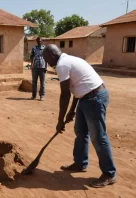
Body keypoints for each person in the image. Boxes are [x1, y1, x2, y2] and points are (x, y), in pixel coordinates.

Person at [42, 44, 116, 188]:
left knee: (98, 137)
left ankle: (109, 173)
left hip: (95, 98)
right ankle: (80, 163)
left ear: (51, 55)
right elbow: (77, 86)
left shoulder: (62, 65)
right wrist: (71, 111)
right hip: (86, 97)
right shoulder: (69, 60)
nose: (46, 63)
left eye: (46, 59)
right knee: (81, 132)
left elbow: (65, 95)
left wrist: (60, 121)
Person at [30, 37, 47, 101]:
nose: (39, 42)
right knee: (34, 82)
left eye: (40, 41)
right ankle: (33, 95)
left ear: (42, 41)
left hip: (42, 67)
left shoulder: (45, 48)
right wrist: (31, 65)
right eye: (38, 41)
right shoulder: (34, 48)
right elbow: (31, 56)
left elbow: (46, 58)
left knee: (42, 82)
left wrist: (45, 67)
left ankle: (42, 95)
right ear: (36, 41)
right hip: (35, 67)